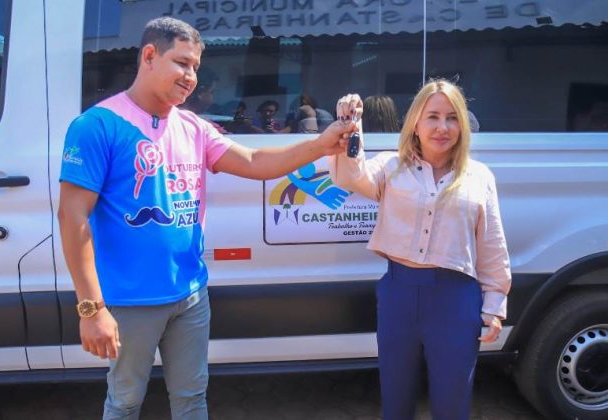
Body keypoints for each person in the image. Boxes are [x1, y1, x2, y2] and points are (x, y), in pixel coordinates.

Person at [58, 17, 352, 420]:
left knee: (192, 400)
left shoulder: (194, 128)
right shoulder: (96, 126)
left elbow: (254, 161)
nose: (191, 77)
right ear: (149, 56)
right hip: (130, 300)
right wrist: (91, 309)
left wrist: (320, 145)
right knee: (124, 403)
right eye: (182, 63)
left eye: (195, 67)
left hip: (191, 295)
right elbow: (72, 216)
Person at [328, 79, 511, 420]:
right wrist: (351, 126)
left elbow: (491, 243)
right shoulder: (390, 167)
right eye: (433, 117)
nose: (443, 127)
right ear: (415, 122)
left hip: (455, 299)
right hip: (399, 294)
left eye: (452, 118)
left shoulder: (479, 177)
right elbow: (349, 176)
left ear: (462, 125)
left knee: (452, 403)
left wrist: (494, 304)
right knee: (396, 400)